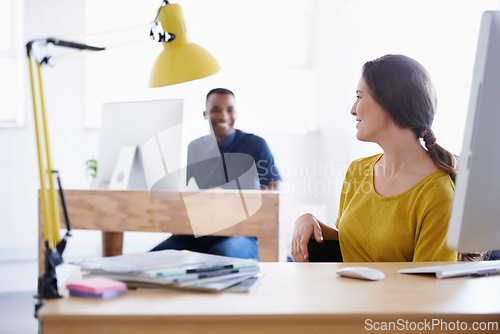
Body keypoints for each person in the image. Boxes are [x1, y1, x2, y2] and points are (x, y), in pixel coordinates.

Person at [291, 54, 458, 263]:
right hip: (343, 295)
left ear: (391, 102)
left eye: (359, 97)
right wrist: (309, 220)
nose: (353, 109)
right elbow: (352, 246)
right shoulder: (357, 171)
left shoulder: (438, 194)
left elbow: (431, 288)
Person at [151, 88, 282, 259]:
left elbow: (274, 187)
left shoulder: (256, 145)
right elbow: (191, 192)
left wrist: (230, 196)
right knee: (154, 257)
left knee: (221, 257)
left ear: (236, 113)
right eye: (216, 110)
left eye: (229, 109)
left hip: (243, 231)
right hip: (203, 230)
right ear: (205, 114)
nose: (224, 116)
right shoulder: (195, 147)